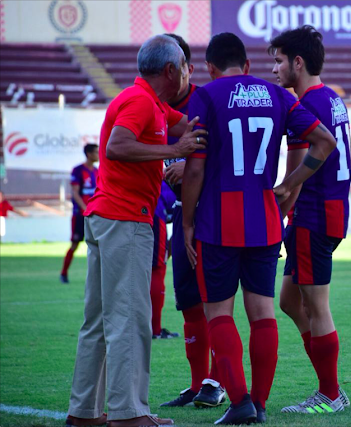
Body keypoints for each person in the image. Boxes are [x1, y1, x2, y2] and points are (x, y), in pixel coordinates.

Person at [181, 32, 336, 425]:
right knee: (262, 312)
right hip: (265, 221)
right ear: (247, 66)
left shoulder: (207, 95)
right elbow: (324, 142)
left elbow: (195, 168)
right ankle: (260, 403)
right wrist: (290, 183)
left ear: (210, 69)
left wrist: (186, 221)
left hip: (217, 223)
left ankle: (239, 403)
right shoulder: (280, 96)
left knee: (219, 312)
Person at [65, 34, 207, 427]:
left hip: (109, 218)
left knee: (98, 322)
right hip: (125, 220)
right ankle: (128, 415)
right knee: (129, 319)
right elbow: (117, 145)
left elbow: (194, 125)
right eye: (184, 67)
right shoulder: (141, 101)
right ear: (170, 70)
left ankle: (85, 413)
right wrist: (173, 153)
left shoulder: (153, 103)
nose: (188, 74)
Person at [269, 25, 351, 414]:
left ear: (297, 63)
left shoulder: (303, 106)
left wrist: (286, 194)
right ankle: (329, 385)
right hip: (332, 212)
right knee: (289, 300)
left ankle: (330, 394)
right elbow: (348, 160)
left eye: (279, 60)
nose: (274, 70)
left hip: (313, 216)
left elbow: (301, 169)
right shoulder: (333, 99)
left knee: (317, 306)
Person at [159, 33, 226, 409]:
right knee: (188, 302)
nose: (166, 78)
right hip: (176, 217)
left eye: (173, 68)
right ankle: (198, 383)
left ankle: (218, 381)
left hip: (212, 217)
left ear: (186, 67)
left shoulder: (208, 100)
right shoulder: (152, 104)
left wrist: (192, 165)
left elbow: (236, 156)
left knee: (215, 299)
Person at [60, 144, 99, 284]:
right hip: (80, 215)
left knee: (98, 245)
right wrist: (85, 209)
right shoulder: (78, 170)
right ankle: (64, 273)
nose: (98, 154)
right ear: (88, 154)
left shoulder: (97, 171)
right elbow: (75, 193)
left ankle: (97, 277)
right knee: (75, 245)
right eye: (96, 152)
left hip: (94, 215)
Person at [150, 181, 179, 339]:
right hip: (154, 211)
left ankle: (150, 327)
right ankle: (154, 329)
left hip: (140, 210)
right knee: (157, 270)